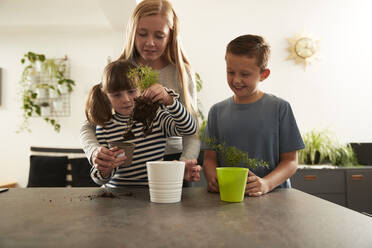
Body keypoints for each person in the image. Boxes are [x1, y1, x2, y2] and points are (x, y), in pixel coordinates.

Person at [80, 0, 200, 175]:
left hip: (172, 161)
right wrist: (93, 151)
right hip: (127, 163)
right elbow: (89, 124)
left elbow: (192, 131)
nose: (150, 43)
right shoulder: (118, 71)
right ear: (131, 33)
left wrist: (182, 164)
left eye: (159, 36)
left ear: (171, 36)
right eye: (142, 34)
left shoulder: (181, 73)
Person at [202, 34, 305, 196]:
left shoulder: (280, 108)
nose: (236, 80)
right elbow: (209, 158)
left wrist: (266, 184)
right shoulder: (216, 111)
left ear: (264, 75)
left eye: (244, 74)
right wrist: (212, 178)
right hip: (229, 198)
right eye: (230, 72)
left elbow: (291, 161)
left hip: (274, 198)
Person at [85, 60, 200, 187]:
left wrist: (169, 100)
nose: (126, 99)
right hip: (116, 197)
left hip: (153, 192)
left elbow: (189, 128)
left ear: (142, 88)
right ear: (106, 96)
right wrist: (105, 171)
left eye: (131, 91)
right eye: (117, 95)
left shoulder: (156, 118)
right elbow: (98, 178)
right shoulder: (104, 128)